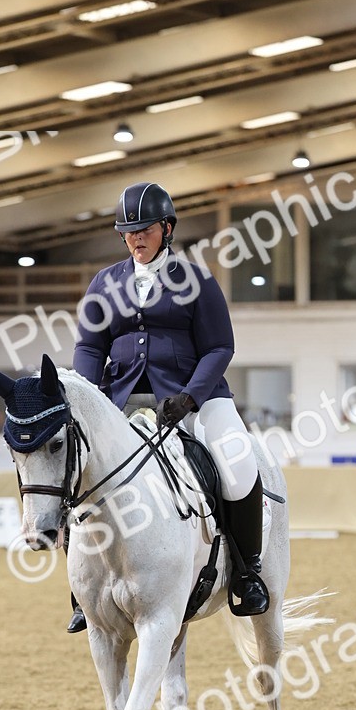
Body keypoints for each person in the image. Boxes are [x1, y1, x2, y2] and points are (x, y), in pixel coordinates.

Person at [68, 180, 268, 633]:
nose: (136, 238)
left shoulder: (197, 280)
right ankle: (82, 589)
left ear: (167, 228)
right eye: (128, 231)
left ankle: (247, 571)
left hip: (192, 398)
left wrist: (191, 396)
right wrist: (89, 396)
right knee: (77, 471)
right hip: (119, 399)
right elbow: (90, 346)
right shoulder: (105, 282)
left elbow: (219, 347)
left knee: (237, 462)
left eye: (145, 229)